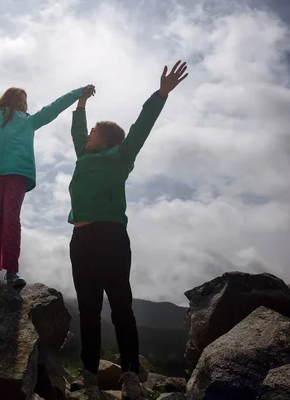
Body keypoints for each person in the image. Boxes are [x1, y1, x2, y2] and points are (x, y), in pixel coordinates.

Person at [67, 61, 188, 399]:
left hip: (111, 238)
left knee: (121, 308)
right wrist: (81, 104)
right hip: (80, 240)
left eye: (94, 133)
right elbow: (78, 132)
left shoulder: (120, 156)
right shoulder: (83, 158)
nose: (88, 135)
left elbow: (140, 128)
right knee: (88, 310)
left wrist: (160, 95)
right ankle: (89, 375)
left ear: (105, 140)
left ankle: (131, 375)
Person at [0, 47, 95, 289]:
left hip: (13, 173)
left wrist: (78, 93)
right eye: (23, 99)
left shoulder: (29, 121)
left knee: (6, 220)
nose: (24, 103)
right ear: (14, 100)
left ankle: (9, 272)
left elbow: (55, 107)